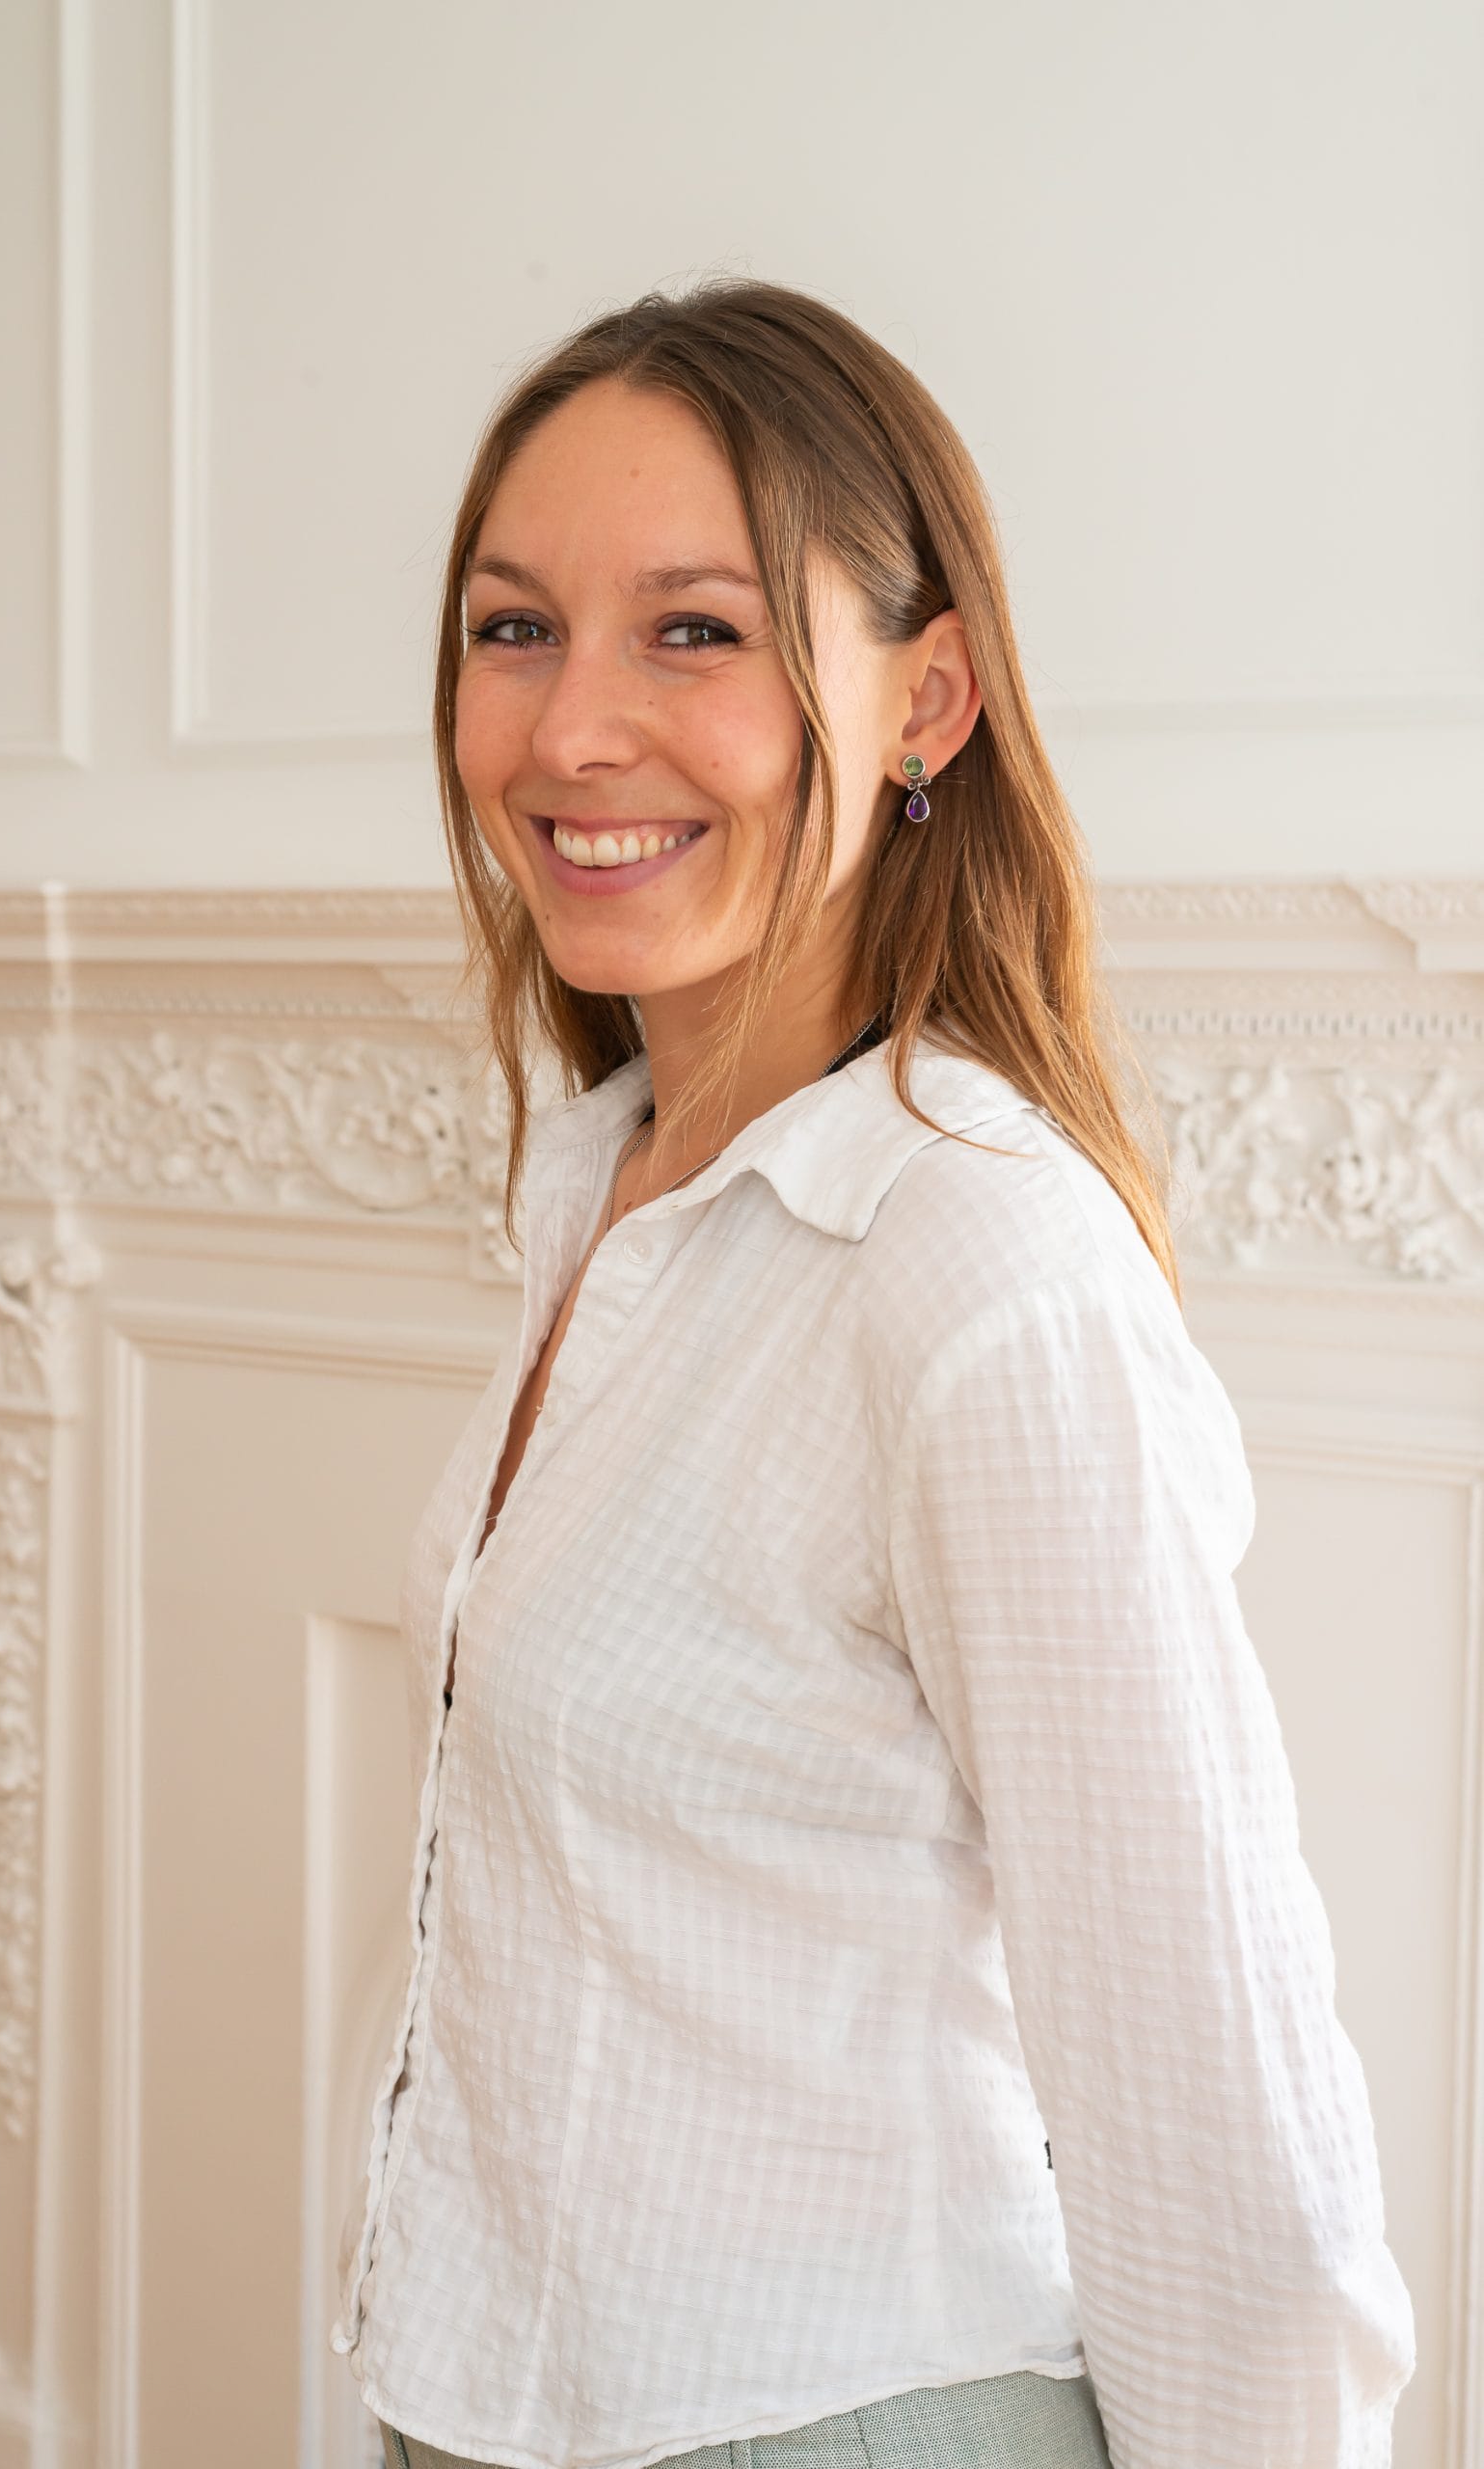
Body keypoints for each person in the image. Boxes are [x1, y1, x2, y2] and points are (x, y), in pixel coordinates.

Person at [332, 277, 1417, 2469]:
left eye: (696, 630)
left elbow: (1209, 2093)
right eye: (511, 626)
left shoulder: (975, 1265)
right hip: (493, 2394)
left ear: (925, 702)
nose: (564, 732)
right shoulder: (602, 1180)